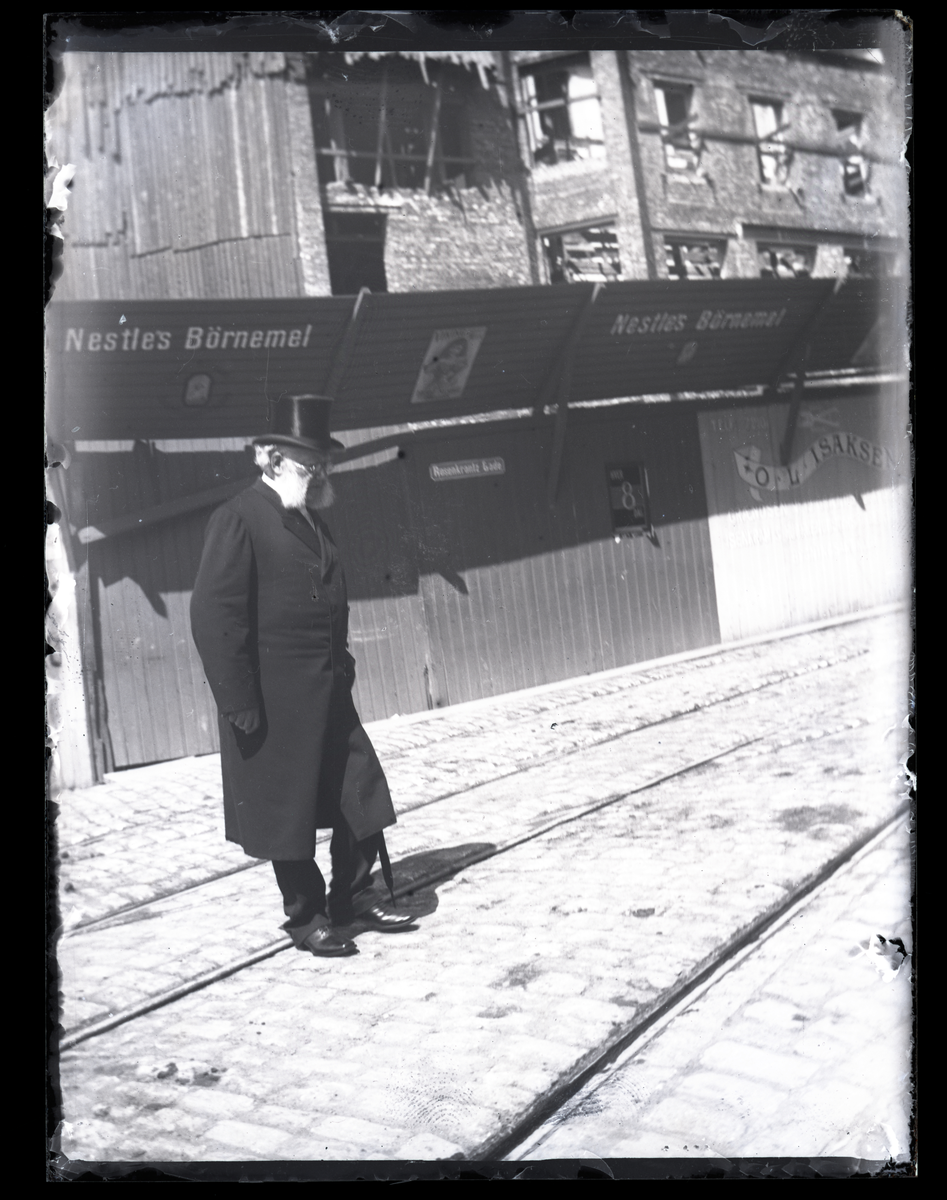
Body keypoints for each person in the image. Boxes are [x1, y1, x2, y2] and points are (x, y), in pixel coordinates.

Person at [189, 394, 415, 957]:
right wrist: (237, 698)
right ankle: (307, 917)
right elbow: (214, 615)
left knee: (359, 789)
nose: (319, 472)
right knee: (284, 811)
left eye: (323, 462)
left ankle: (354, 896)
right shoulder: (238, 518)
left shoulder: (313, 519)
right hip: (270, 700)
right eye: (307, 462)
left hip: (327, 691)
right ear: (268, 457)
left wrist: (343, 662)